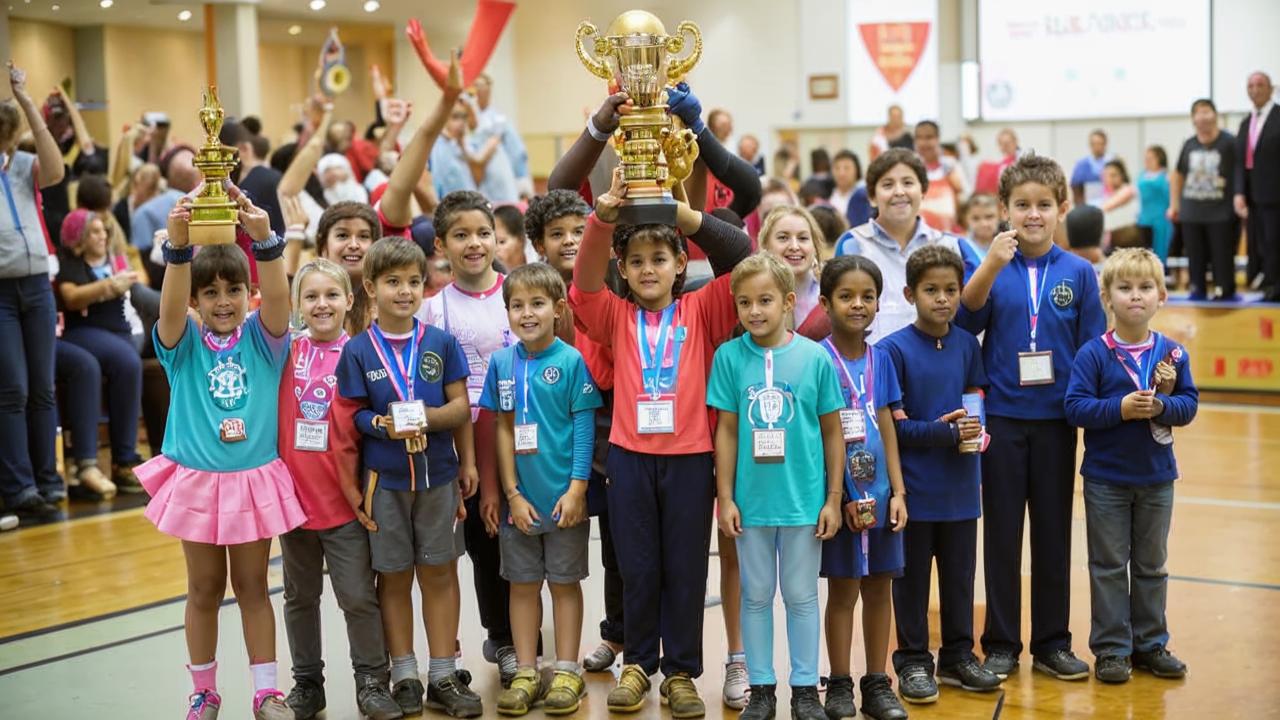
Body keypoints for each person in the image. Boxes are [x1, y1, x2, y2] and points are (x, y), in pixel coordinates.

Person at [570, 168, 750, 716]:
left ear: (680, 266)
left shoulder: (703, 307)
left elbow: (740, 256)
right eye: (638, 262)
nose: (649, 270)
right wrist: (603, 218)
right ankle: (637, 665)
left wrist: (681, 213)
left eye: (661, 259)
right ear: (623, 269)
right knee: (637, 566)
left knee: (686, 568)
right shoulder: (615, 316)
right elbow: (582, 284)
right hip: (629, 459)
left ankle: (681, 673)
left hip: (692, 460)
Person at [136, 188, 304, 720]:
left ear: (248, 293)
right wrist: (179, 251)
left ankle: (265, 692)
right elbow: (167, 306)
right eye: (210, 293)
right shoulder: (180, 342)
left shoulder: (264, 338)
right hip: (198, 482)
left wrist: (264, 240)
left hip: (251, 479)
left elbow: (279, 299)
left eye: (235, 289)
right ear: (195, 301)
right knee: (203, 588)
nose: (224, 300)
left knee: (254, 587)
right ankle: (204, 692)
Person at [957, 153, 1106, 682]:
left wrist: (1093, 414)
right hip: (1001, 418)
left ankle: (1052, 642)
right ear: (1004, 209)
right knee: (1000, 535)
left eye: (1044, 204)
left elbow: (1093, 351)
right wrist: (991, 263)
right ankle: (1000, 642)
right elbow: (965, 317)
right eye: (1022, 205)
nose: (1033, 214)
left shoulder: (1081, 273)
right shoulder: (992, 265)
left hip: (1057, 421)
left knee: (1051, 534)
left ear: (1063, 208)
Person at [334, 238, 482, 718]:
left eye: (413, 282)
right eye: (393, 282)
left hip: (438, 477)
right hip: (386, 484)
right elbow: (353, 416)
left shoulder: (440, 344)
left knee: (439, 572)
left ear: (425, 285)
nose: (404, 291)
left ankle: (443, 674)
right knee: (393, 577)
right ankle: (403, 674)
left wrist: (460, 455)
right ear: (371, 288)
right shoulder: (357, 351)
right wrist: (382, 424)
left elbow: (461, 407)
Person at [708, 252, 844, 720]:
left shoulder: (814, 358)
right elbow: (726, 430)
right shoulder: (728, 358)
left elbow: (832, 431)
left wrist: (833, 498)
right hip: (751, 503)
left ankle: (805, 688)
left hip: (804, 502)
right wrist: (725, 497)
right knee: (755, 595)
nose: (755, 311)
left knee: (803, 597)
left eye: (765, 300)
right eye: (744, 303)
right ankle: (762, 689)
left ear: (788, 302)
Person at [1064, 248, 1198, 683]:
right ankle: (1112, 650)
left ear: (1161, 296)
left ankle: (1151, 644)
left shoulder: (1173, 354)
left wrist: (1162, 406)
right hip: (1106, 480)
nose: (1134, 297)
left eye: (1144, 288)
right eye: (1124, 288)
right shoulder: (1093, 354)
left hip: (1157, 478)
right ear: (1107, 298)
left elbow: (1189, 404)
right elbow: (1076, 408)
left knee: (1151, 565)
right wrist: (1119, 408)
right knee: (1106, 565)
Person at [277, 259, 403, 720]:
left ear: (351, 300)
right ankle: (307, 683)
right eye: (310, 296)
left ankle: (372, 681)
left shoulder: (362, 354)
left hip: (347, 504)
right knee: (299, 597)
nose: (322, 304)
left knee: (356, 596)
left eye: (332, 294)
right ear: (297, 306)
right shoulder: (285, 353)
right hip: (293, 506)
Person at [878, 246, 1002, 704]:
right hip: (913, 491)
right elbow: (894, 426)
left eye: (951, 290)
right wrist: (943, 434)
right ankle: (911, 661)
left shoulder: (969, 345)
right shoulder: (891, 350)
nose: (943, 299)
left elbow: (975, 405)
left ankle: (957, 656)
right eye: (931, 290)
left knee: (959, 578)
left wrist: (974, 433)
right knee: (909, 584)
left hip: (961, 490)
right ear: (911, 293)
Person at [483, 264, 602, 716]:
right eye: (517, 305)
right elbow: (503, 429)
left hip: (563, 500)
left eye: (537, 304)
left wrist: (576, 490)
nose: (527, 313)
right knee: (522, 585)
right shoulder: (501, 363)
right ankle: (528, 670)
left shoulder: (571, 361)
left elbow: (584, 426)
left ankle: (568, 669)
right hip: (523, 504)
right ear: (507, 311)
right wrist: (511, 493)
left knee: (565, 583)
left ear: (557, 310)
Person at [415, 190, 514, 685]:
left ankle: (529, 633)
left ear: (497, 236)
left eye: (482, 233)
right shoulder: (433, 311)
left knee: (528, 536)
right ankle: (503, 636)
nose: (474, 243)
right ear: (441, 245)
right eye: (461, 235)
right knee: (482, 538)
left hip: (523, 436)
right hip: (464, 443)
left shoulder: (518, 293)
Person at [816, 255, 908, 720]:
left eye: (867, 297)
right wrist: (843, 497)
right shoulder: (818, 360)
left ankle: (877, 682)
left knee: (880, 589)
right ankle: (837, 682)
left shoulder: (883, 359)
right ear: (825, 302)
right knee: (843, 592)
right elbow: (822, 435)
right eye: (847, 296)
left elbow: (888, 422)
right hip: (842, 498)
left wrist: (900, 491)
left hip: (884, 496)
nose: (858, 305)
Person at [0, 61, 65, 522]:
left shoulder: (24, 164)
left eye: (8, 137)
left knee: (43, 387)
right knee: (14, 389)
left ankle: (48, 480)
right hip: (1, 291)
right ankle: (19, 486)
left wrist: (26, 101)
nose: (4, 146)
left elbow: (58, 169)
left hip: (37, 284)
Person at [833, 148, 970, 342]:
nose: (899, 192)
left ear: (923, 191)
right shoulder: (852, 244)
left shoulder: (951, 245)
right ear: (872, 197)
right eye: (888, 185)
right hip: (875, 365)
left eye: (908, 183)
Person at [54, 209, 145, 496]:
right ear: (78, 238)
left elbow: (139, 289)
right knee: (125, 361)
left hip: (116, 332)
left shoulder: (115, 259)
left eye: (103, 230)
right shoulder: (70, 263)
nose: (102, 235)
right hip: (82, 331)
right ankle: (114, 459)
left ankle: (124, 461)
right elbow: (70, 297)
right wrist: (107, 286)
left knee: (128, 362)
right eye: (94, 231)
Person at [1169, 98, 1239, 301]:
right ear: (1193, 119)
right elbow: (1178, 175)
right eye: (1198, 112)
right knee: (1195, 258)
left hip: (1221, 211)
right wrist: (1175, 205)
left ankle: (1224, 291)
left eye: (1207, 111)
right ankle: (1197, 290)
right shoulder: (1189, 144)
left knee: (1222, 257)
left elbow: (1238, 173)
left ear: (1215, 115)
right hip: (1192, 211)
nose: (1203, 116)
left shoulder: (1229, 142)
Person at [39, 83, 108, 237]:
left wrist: (68, 103)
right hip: (53, 218)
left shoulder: (80, 153)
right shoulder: (39, 151)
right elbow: (35, 133)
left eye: (63, 120)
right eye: (55, 120)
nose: (60, 125)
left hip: (77, 220)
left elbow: (84, 140)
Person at [1235, 71, 1280, 300]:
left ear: (1271, 88)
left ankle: (1275, 287)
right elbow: (1241, 160)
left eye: (1260, 85)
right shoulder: (1246, 123)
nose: (1255, 89)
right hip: (1253, 195)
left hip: (1275, 195)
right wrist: (1239, 192)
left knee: (1274, 241)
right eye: (1250, 85)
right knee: (1259, 243)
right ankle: (1266, 283)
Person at [757, 205, 829, 339]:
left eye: (803, 238)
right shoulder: (752, 292)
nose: (794, 247)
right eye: (783, 238)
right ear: (765, 245)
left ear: (815, 246)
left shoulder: (832, 290)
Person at [469, 73, 533, 197]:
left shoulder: (498, 119)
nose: (477, 90)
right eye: (475, 86)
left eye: (480, 86)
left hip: (500, 177)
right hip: (481, 180)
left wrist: (522, 183)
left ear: (488, 90)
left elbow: (518, 153)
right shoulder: (472, 118)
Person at [915, 121, 967, 233]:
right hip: (919, 233)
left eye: (929, 137)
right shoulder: (911, 167)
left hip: (948, 232)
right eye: (919, 138)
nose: (924, 143)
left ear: (938, 139)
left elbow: (964, 199)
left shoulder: (952, 166)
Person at [1136, 146, 1173, 263]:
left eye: (1151, 158)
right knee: (1144, 251)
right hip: (1144, 219)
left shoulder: (1167, 176)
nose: (1147, 160)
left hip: (1161, 218)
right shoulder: (1142, 175)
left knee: (1160, 248)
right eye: (1146, 158)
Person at [1100, 160, 1141, 249]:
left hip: (1127, 236)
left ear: (1122, 175)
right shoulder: (1107, 194)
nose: (1109, 179)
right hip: (1113, 238)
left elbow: (1105, 208)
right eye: (1106, 176)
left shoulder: (1128, 190)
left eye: (1113, 175)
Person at [1070, 130, 1113, 207]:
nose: (1097, 147)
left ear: (1105, 144)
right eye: (1094, 144)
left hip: (1111, 204)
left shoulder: (1113, 163)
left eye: (1099, 143)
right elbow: (1075, 188)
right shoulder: (1082, 165)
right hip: (1087, 206)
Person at [972, 129, 1019, 196]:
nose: (1005, 146)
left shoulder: (1022, 161)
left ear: (1015, 142)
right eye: (1001, 143)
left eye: (1007, 143)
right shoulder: (995, 163)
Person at [828, 150, 866, 227]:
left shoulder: (863, 196)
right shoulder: (827, 194)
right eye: (837, 168)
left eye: (847, 168)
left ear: (857, 170)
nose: (841, 173)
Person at [961, 194, 999, 261]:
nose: (983, 224)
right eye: (976, 218)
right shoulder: (961, 247)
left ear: (999, 216)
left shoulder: (1009, 244)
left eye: (989, 217)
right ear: (966, 219)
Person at [494, 204, 529, 271]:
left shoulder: (538, 261)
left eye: (502, 242)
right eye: (494, 242)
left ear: (521, 240)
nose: (495, 249)